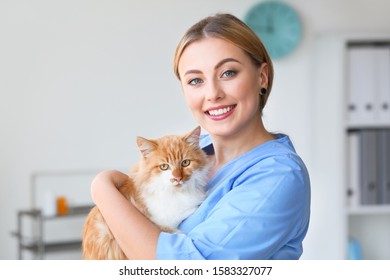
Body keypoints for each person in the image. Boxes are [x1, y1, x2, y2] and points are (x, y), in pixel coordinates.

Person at [91, 13, 311, 260]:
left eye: (228, 73)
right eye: (196, 80)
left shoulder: (278, 176)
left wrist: (102, 188)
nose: (212, 93)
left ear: (262, 77)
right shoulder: (197, 150)